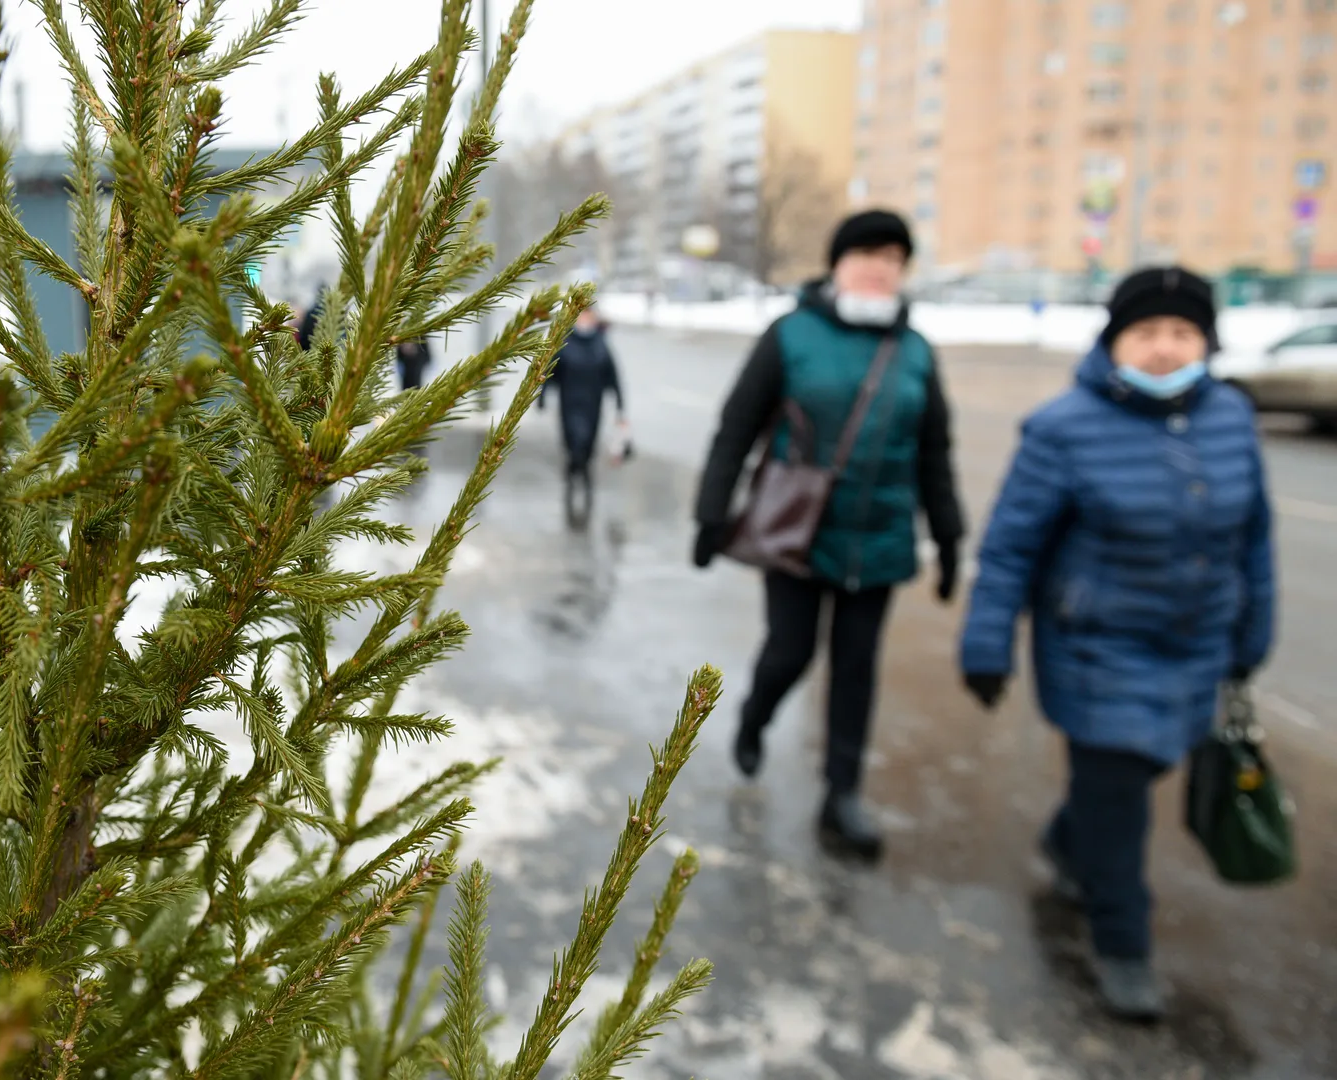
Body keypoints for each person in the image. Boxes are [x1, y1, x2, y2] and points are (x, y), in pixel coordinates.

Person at [958, 266, 1275, 1022]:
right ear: (1114, 340)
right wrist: (987, 642)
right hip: (1097, 649)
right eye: (1147, 332)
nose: (1165, 348)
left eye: (1182, 332)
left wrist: (1253, 630)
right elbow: (1009, 548)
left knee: (1140, 771)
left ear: (1206, 341)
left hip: (1197, 644)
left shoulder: (1232, 416)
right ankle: (1122, 943)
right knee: (1122, 793)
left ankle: (1070, 842)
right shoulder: (1063, 427)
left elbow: (1254, 537)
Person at [692, 208, 964, 861]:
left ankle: (842, 793)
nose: (879, 267)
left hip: (881, 539)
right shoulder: (790, 335)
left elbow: (935, 452)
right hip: (798, 531)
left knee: (857, 667)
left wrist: (950, 537)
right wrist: (711, 513)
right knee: (791, 650)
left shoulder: (916, 351)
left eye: (893, 258)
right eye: (867, 253)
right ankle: (756, 714)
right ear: (837, 263)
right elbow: (737, 429)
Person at [539, 305, 626, 526]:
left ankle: (584, 473)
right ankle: (573, 472)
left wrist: (619, 404)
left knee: (587, 443)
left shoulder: (600, 343)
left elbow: (613, 375)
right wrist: (542, 396)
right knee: (573, 442)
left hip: (592, 404)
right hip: (570, 403)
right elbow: (551, 371)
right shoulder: (566, 342)